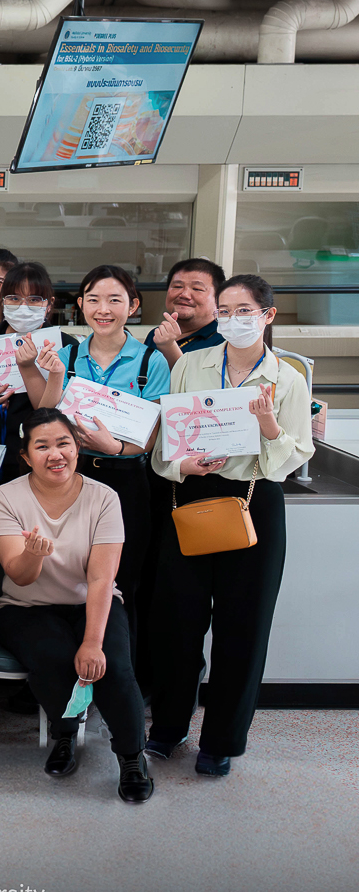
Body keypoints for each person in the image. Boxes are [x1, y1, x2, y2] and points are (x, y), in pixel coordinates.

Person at [149, 273, 311, 779]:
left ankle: (221, 740)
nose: (233, 319)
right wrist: (183, 465)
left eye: (244, 311)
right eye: (224, 311)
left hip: (254, 500)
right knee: (177, 622)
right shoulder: (190, 364)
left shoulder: (288, 379)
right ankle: (167, 728)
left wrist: (269, 428)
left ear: (267, 316)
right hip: (192, 495)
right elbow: (163, 444)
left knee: (244, 628)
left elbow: (294, 457)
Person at [0, 409, 152, 803]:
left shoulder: (104, 497)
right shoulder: (5, 496)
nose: (55, 454)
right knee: (56, 657)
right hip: (26, 605)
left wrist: (93, 643)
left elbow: (101, 579)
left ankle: (132, 757)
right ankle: (64, 736)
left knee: (113, 664)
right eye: (42, 446)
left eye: (63, 443)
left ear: (77, 447)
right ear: (26, 456)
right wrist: (32, 554)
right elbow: (19, 576)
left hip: (90, 600)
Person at [39, 264, 170, 669]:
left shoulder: (151, 361)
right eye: (94, 299)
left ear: (133, 306)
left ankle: (121, 680)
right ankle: (66, 678)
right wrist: (53, 376)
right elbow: (45, 419)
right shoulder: (66, 356)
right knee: (64, 577)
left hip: (126, 481)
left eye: (115, 300)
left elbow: (153, 436)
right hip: (71, 480)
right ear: (80, 304)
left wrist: (115, 448)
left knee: (122, 582)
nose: (103, 309)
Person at [0, 261, 62, 456]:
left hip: (43, 455)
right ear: (2, 300)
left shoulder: (65, 346)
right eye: (14, 298)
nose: (23, 307)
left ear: (49, 304)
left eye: (34, 299)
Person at [146, 257, 226, 368]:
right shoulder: (156, 334)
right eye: (177, 286)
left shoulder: (225, 340)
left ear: (218, 299)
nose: (184, 295)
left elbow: (198, 378)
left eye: (197, 289)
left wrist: (169, 347)